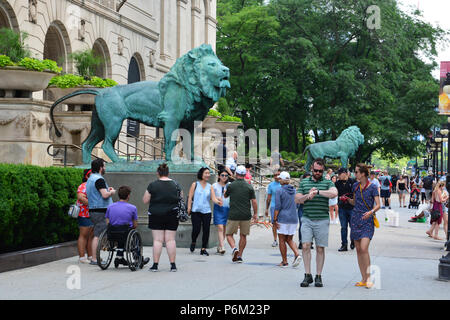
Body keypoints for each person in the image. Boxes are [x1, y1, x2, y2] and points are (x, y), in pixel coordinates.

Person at [295, 158, 338, 288]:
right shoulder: (304, 182)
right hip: (307, 218)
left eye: (320, 171)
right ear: (311, 169)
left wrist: (318, 192)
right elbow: (297, 199)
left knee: (320, 248)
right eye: (315, 170)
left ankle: (318, 276)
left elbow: (334, 193)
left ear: (323, 170)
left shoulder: (327, 182)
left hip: (322, 219)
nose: (317, 172)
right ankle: (307, 274)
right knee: (306, 245)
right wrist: (307, 196)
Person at [347, 163, 380, 289]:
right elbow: (355, 202)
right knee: (358, 250)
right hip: (355, 218)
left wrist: (371, 212)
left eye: (356, 172)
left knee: (364, 248)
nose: (355, 174)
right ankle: (363, 279)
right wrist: (347, 200)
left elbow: (378, 205)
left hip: (367, 219)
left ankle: (369, 278)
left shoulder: (372, 187)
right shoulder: (355, 186)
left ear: (363, 174)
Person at [143, 163, 179, 272]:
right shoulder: (175, 184)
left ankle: (155, 265)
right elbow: (180, 198)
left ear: (158, 173)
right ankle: (172, 265)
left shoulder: (152, 185)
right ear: (168, 173)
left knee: (158, 240)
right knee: (170, 240)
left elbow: (145, 200)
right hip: (172, 214)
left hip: (156, 214)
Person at [105, 186, 150, 267]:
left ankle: (119, 257)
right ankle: (138, 258)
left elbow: (107, 221)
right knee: (132, 234)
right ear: (128, 195)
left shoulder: (110, 207)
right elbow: (135, 225)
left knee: (119, 235)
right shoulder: (132, 208)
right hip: (125, 232)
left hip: (112, 232)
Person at [224, 165, 258, 263]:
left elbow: (225, 196)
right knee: (243, 235)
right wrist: (255, 214)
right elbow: (254, 201)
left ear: (236, 174)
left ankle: (234, 248)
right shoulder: (249, 186)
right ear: (244, 174)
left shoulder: (231, 185)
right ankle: (239, 256)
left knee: (229, 234)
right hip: (246, 215)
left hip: (233, 214)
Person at [86, 158, 115, 265]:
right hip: (101, 210)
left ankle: (94, 258)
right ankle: (94, 259)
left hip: (94, 209)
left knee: (97, 234)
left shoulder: (91, 179)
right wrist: (111, 192)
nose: (105, 168)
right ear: (100, 168)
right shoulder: (99, 179)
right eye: (104, 166)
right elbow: (104, 195)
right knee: (98, 235)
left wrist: (107, 190)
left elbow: (98, 193)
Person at [187, 167, 221, 256]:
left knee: (206, 230)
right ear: (201, 174)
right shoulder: (195, 184)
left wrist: (218, 201)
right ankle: (193, 241)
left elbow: (213, 198)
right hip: (196, 211)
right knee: (196, 229)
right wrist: (189, 207)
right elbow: (190, 197)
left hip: (207, 211)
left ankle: (203, 249)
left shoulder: (210, 186)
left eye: (208, 173)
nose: (208, 175)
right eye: (206, 173)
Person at [273, 171, 301, 268]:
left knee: (281, 239)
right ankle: (296, 253)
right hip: (293, 217)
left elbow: (277, 206)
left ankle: (285, 261)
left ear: (283, 180)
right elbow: (297, 203)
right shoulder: (294, 190)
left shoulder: (279, 190)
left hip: (283, 217)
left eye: (280, 178)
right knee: (289, 239)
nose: (278, 179)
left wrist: (274, 219)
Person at [335, 168, 355, 252]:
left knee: (353, 226)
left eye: (340, 174)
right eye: (338, 175)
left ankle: (353, 241)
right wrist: (339, 197)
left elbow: (356, 194)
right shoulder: (337, 183)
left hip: (352, 208)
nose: (339, 176)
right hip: (342, 207)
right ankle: (344, 244)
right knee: (343, 227)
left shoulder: (353, 182)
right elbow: (335, 193)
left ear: (345, 174)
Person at [76, 169, 94, 264]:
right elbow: (80, 197)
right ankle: (82, 257)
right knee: (83, 235)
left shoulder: (94, 185)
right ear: (86, 176)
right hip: (84, 213)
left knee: (91, 235)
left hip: (92, 213)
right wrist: (93, 203)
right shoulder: (83, 186)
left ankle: (90, 256)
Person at [212, 169, 230, 254]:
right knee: (220, 227)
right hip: (218, 208)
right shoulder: (214, 186)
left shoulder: (229, 185)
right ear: (219, 176)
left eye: (226, 175)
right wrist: (216, 199)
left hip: (227, 208)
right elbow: (211, 197)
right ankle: (222, 246)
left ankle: (220, 245)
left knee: (224, 228)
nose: (224, 177)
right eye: (222, 175)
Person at [265, 170, 282, 247]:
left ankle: (282, 239)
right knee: (274, 223)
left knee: (282, 223)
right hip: (274, 206)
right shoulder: (271, 185)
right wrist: (266, 209)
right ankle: (275, 240)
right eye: (275, 175)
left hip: (283, 207)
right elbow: (268, 198)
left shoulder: (284, 184)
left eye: (278, 175)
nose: (276, 176)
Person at [297, 173, 311, 250]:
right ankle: (301, 241)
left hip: (311, 208)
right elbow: (299, 200)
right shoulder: (301, 188)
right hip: (302, 208)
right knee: (302, 225)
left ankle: (309, 242)